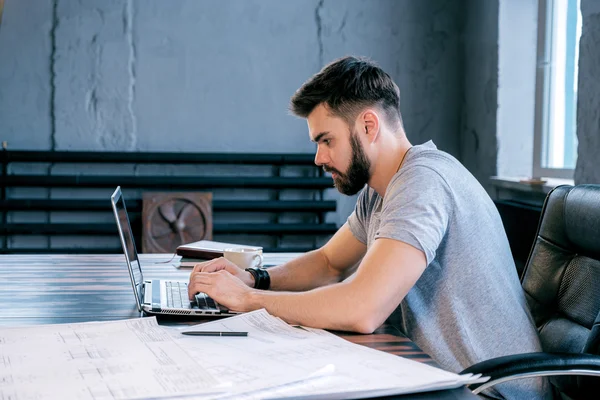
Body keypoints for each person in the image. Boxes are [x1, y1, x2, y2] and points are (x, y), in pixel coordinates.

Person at [188, 56, 549, 399]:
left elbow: (363, 309)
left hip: (492, 391)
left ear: (368, 125)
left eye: (326, 140)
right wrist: (254, 279)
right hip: (436, 375)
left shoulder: (423, 182)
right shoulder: (384, 189)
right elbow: (330, 263)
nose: (318, 158)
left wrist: (248, 301)